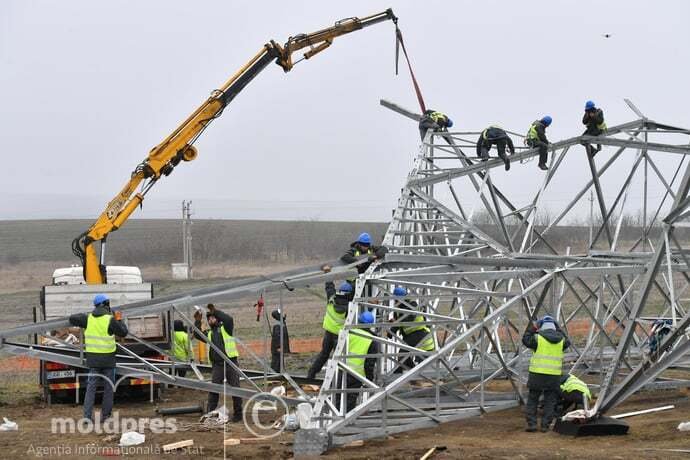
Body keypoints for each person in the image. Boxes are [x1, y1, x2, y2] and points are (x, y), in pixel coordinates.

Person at [68, 293, 128, 422]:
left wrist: (85, 314)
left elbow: (72, 318)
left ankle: (86, 417)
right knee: (108, 389)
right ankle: (105, 417)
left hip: (93, 361)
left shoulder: (88, 319)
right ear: (107, 304)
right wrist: (118, 319)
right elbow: (123, 332)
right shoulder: (109, 320)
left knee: (91, 389)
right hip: (108, 361)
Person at [522, 315, 570, 432]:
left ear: (541, 326)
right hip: (553, 376)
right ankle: (545, 425)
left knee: (533, 399)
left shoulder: (537, 338)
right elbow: (568, 342)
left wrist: (533, 328)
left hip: (537, 374)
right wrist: (559, 329)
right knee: (550, 400)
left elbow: (525, 339)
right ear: (554, 327)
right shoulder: (561, 341)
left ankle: (532, 424)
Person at [306, 282, 353, 380]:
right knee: (339, 359)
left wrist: (327, 273)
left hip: (328, 333)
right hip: (340, 336)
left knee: (323, 354)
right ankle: (335, 380)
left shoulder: (331, 298)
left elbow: (329, 287)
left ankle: (311, 374)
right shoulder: (350, 307)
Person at [205, 303, 242, 422]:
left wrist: (215, 311)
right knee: (214, 390)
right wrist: (197, 321)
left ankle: (238, 415)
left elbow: (229, 319)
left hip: (230, 363)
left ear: (217, 318)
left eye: (213, 317)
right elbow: (196, 334)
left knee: (236, 389)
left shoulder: (226, 328)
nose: (211, 320)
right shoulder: (209, 333)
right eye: (209, 318)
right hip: (217, 365)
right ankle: (210, 414)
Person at [390, 287, 435, 372]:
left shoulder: (412, 304)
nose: (395, 301)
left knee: (403, 355)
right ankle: (410, 374)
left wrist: (396, 322)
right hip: (411, 336)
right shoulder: (398, 309)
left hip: (419, 334)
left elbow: (409, 318)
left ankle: (404, 375)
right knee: (403, 356)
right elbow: (396, 324)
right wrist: (390, 333)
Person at [342, 311, 379, 412]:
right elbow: (369, 364)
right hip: (356, 374)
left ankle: (333, 420)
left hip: (341, 369)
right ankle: (346, 422)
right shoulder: (372, 340)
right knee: (350, 400)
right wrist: (369, 379)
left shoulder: (350, 333)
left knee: (337, 397)